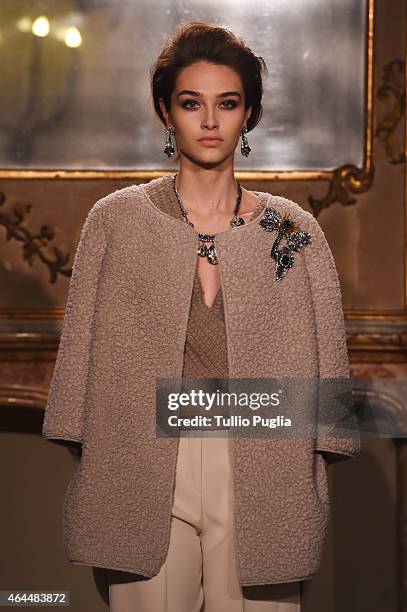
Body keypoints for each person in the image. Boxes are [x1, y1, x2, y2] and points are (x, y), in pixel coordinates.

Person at [42, 20, 360, 612]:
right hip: (145, 452)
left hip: (266, 453)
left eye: (228, 104)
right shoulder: (118, 221)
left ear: (249, 116)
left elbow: (327, 356)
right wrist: (87, 437)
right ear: (166, 111)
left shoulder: (289, 230)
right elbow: (81, 348)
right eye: (192, 103)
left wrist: (324, 443)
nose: (210, 122)